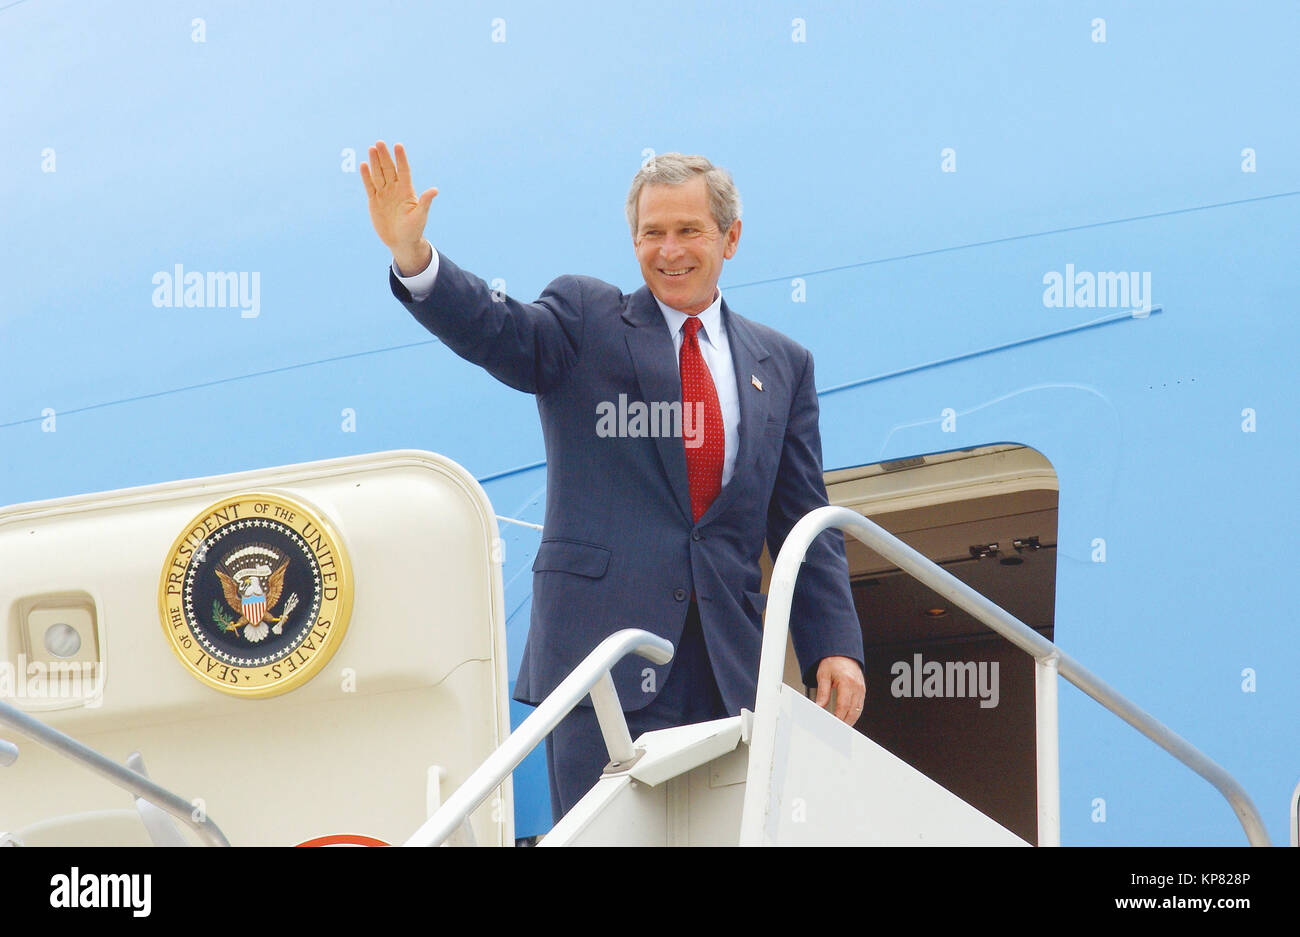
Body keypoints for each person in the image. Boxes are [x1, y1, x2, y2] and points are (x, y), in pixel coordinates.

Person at [361, 142, 866, 821]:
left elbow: (804, 517)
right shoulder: (586, 319)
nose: (669, 250)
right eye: (652, 233)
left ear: (731, 237)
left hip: (727, 668)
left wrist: (834, 642)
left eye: (688, 230)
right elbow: (497, 329)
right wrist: (416, 261)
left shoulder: (783, 363)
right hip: (604, 667)